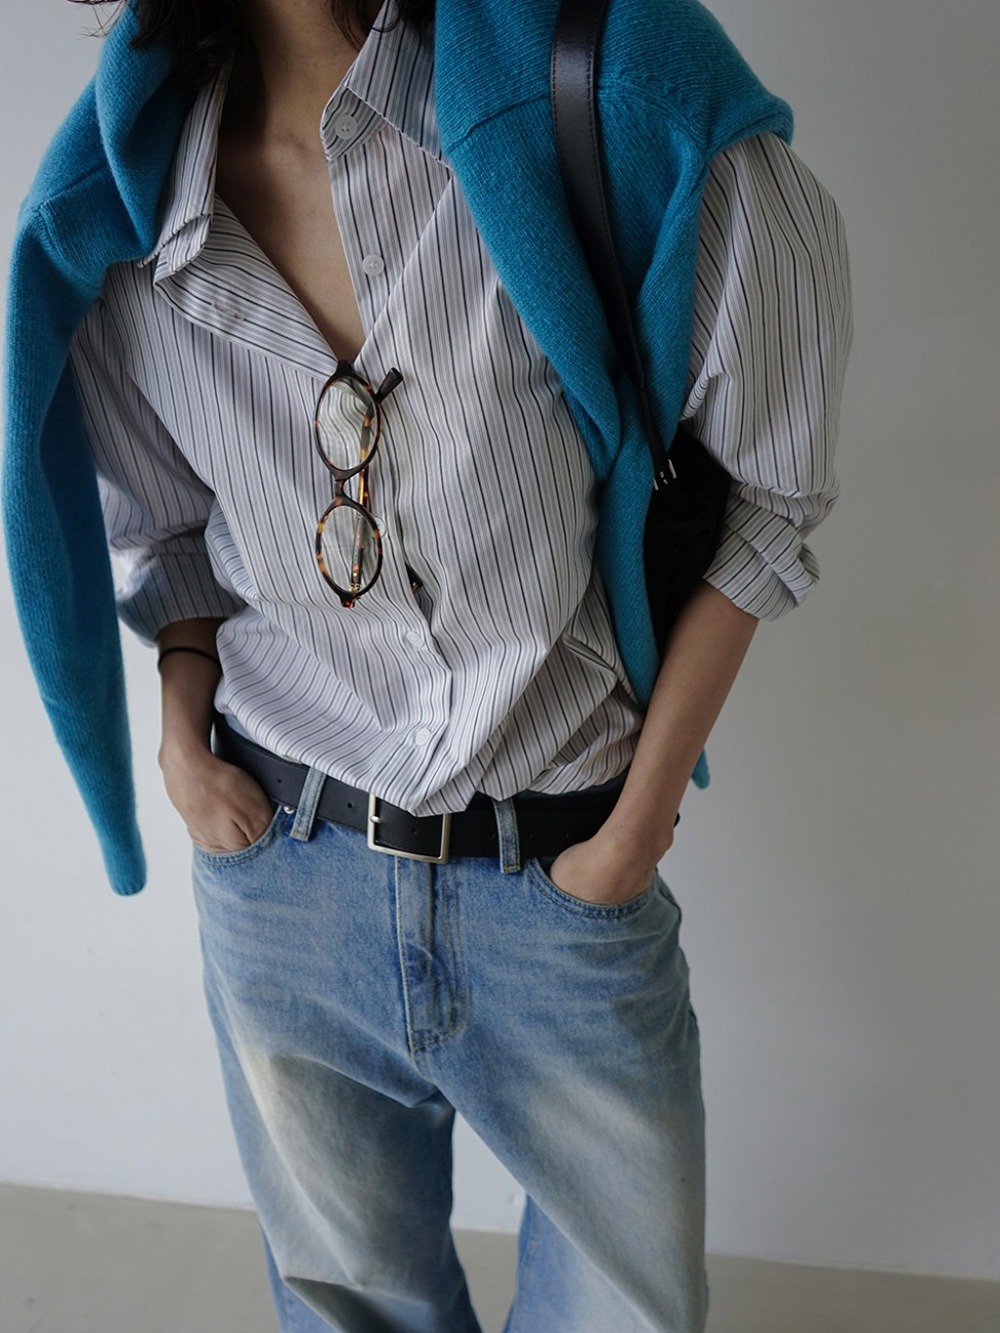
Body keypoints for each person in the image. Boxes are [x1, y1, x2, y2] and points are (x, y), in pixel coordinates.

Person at [3, 0, 852, 1328]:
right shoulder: (126, 202)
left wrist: (632, 830)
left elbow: (769, 494)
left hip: (561, 874)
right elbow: (167, 533)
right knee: (349, 1308)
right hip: (281, 874)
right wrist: (181, 744)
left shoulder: (608, 86)